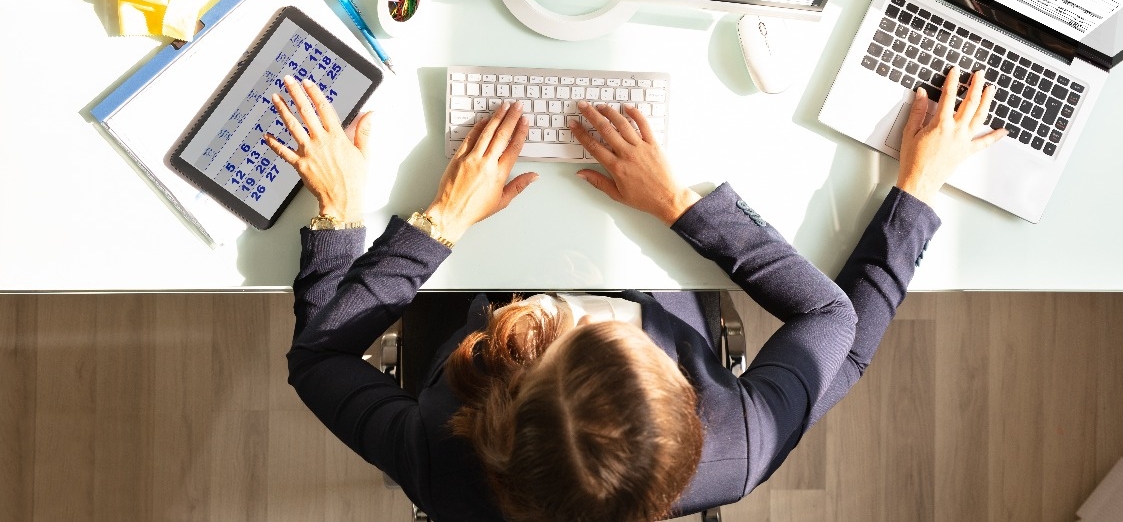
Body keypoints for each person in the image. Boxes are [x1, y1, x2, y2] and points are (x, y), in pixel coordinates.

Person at [271, 67, 1005, 521]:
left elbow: (315, 358)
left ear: (508, 392)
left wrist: (390, 217)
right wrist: (684, 207)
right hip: (645, 245)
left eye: (579, 330)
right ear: (692, 407)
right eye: (631, 342)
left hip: (476, 290)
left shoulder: (442, 466)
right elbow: (838, 335)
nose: (590, 308)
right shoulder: (737, 449)